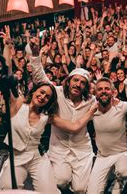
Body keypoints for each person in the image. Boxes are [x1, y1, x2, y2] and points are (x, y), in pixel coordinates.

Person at [30, 39, 97, 192]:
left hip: (82, 150)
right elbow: (40, 78)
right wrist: (35, 54)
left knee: (80, 189)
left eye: (82, 83)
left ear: (85, 87)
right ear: (68, 82)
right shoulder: (57, 93)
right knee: (61, 181)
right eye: (75, 80)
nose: (78, 84)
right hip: (59, 148)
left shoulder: (91, 101)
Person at [0, 83, 60, 192]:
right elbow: (8, 82)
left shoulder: (46, 116)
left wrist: (92, 109)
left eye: (47, 97)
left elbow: (74, 126)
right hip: (16, 157)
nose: (43, 97)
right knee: (8, 189)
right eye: (41, 92)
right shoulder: (19, 105)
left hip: (37, 158)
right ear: (33, 91)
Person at [87, 78, 127, 193]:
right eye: (100, 89)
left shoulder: (122, 107)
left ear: (113, 92)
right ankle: (112, 178)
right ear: (95, 93)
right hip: (103, 157)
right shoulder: (92, 111)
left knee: (123, 171)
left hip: (123, 153)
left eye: (107, 89)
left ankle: (118, 183)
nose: (103, 91)